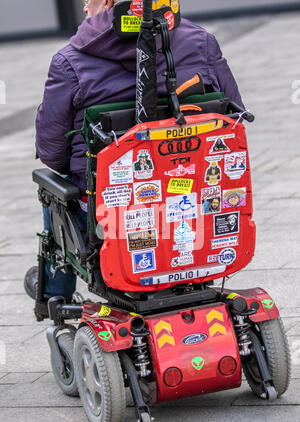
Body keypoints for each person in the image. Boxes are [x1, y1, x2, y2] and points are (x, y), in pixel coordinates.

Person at [25, 0, 244, 302]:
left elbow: (52, 152)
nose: (84, 7)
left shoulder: (69, 61)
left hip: (112, 212)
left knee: (54, 186)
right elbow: (235, 117)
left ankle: (54, 293)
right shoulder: (202, 41)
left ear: (108, 3)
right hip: (200, 194)